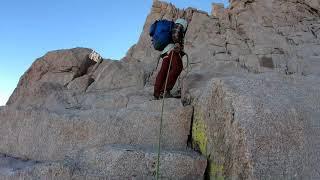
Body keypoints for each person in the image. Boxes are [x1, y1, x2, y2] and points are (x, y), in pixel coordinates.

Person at [151, 18, 188, 100]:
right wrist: (177, 43)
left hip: (165, 52)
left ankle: (156, 93)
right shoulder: (181, 23)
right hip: (172, 50)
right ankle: (164, 91)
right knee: (178, 67)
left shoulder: (167, 29)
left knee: (163, 71)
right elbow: (176, 33)